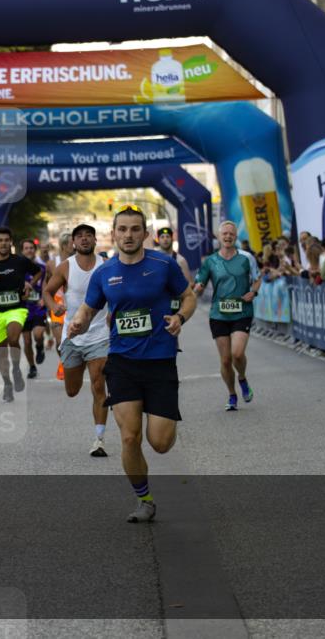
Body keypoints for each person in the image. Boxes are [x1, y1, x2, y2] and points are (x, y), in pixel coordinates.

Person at [68, 205, 196, 523]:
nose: (128, 235)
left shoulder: (163, 264)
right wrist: (78, 323)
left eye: (135, 229)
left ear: (145, 233)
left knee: (161, 442)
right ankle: (145, 499)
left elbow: (189, 296)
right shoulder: (104, 273)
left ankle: (160, 434)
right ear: (114, 234)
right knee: (129, 437)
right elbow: (88, 308)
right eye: (122, 229)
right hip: (123, 362)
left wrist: (180, 317)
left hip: (161, 361)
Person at [43, 223, 111, 457]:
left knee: (98, 384)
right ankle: (74, 372)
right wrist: (54, 307)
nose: (84, 239)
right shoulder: (65, 267)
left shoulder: (106, 265)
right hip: (72, 335)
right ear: (73, 242)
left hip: (100, 333)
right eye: (79, 236)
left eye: (88, 236)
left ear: (95, 241)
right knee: (72, 390)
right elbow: (47, 291)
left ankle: (99, 439)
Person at [193, 221, 262, 411]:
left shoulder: (247, 258)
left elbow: (257, 279)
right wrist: (194, 291)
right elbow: (200, 283)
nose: (228, 236)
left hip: (242, 312)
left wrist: (253, 292)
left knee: (237, 354)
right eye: (225, 233)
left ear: (235, 236)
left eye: (231, 233)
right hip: (218, 315)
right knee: (225, 360)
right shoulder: (210, 261)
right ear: (219, 236)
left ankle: (242, 378)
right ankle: (232, 394)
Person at [0, 227, 43, 402]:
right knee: (2, 353)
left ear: (11, 242)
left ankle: (17, 368)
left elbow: (39, 272)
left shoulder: (19, 261)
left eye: (6, 240)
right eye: (0, 240)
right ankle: (7, 384)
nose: (3, 243)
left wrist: (30, 284)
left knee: (13, 339)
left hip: (16, 309)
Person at [19, 239, 48, 378]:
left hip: (37, 306)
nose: (29, 250)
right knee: (26, 341)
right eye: (26, 248)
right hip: (22, 308)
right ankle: (32, 367)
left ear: (34, 250)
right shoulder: (16, 269)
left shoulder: (41, 268)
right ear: (22, 251)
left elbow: (46, 285)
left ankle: (40, 346)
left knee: (37, 335)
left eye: (31, 248)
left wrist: (44, 297)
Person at [47, 232, 73, 379]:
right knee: (59, 342)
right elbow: (46, 282)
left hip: (74, 306)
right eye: (71, 243)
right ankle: (64, 362)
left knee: (72, 339)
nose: (74, 245)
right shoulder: (52, 263)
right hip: (57, 306)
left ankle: (71, 365)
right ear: (64, 245)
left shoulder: (78, 261)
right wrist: (47, 301)